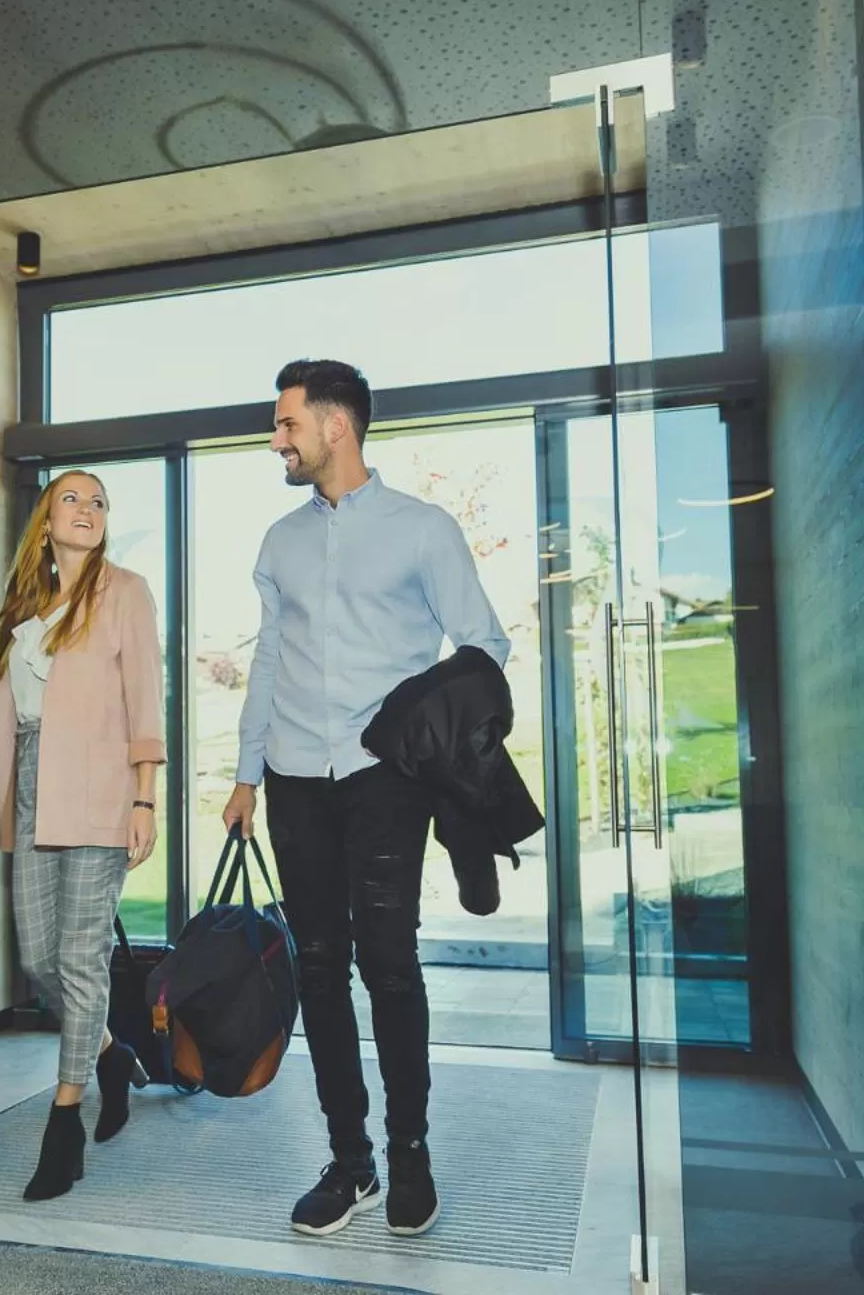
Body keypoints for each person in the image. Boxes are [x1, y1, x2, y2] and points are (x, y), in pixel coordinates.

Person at [221, 359, 509, 1239]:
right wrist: (245, 772)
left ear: (335, 425)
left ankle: (410, 1150)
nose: (277, 439)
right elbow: (269, 658)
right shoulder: (279, 542)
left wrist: (416, 728)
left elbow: (485, 645)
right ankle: (351, 1162)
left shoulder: (422, 530)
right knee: (318, 966)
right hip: (293, 777)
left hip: (385, 777)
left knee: (389, 962)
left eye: (287, 424)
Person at [0, 469, 165, 1202]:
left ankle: (64, 1123)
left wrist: (144, 798)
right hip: (33, 789)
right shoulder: (26, 607)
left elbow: (145, 698)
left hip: (98, 789)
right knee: (38, 958)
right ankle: (112, 1054)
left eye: (99, 502)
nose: (87, 509)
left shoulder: (126, 592)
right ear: (45, 521)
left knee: (81, 958)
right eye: (72, 498)